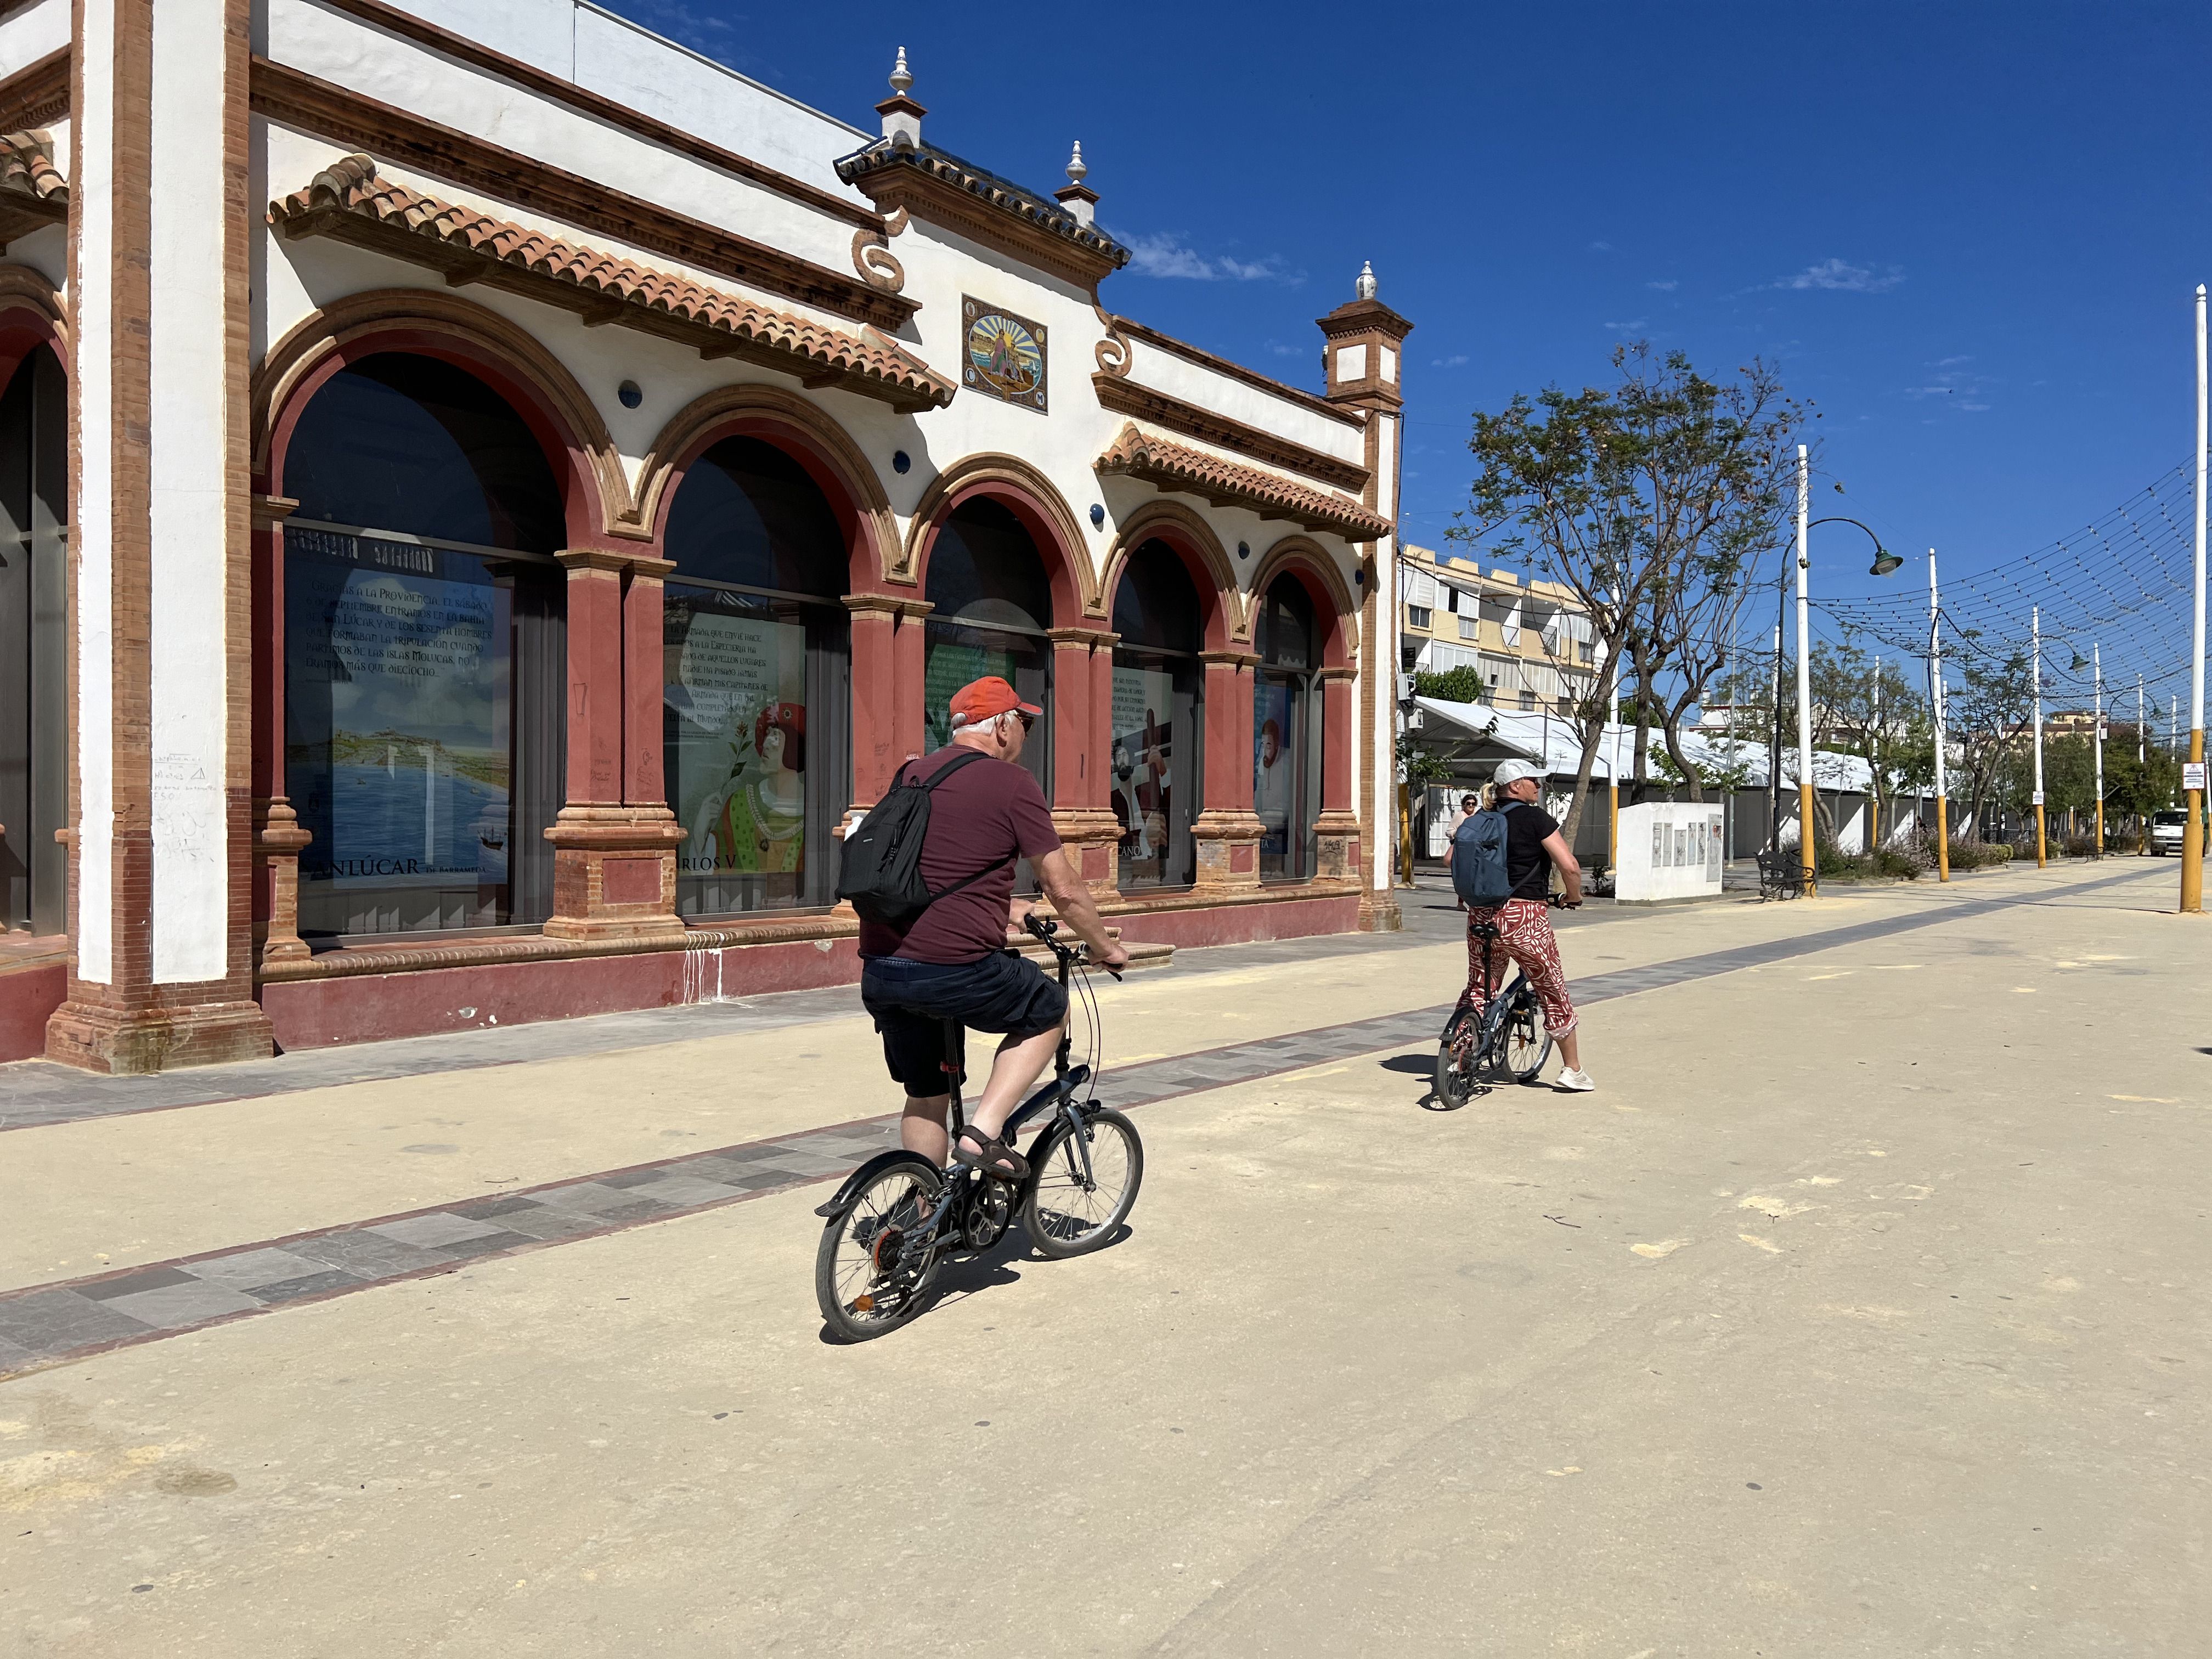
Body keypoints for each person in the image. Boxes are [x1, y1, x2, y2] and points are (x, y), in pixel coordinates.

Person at [858, 676, 1130, 1180]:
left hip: (882, 967)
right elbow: (1063, 887)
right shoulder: (1013, 784)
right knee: (1049, 1007)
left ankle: (922, 1220)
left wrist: (1008, 908)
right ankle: (982, 1134)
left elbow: (925, 876)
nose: (1025, 733)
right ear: (1002, 726)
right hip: (952, 969)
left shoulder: (911, 774)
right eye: (1023, 722)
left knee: (927, 1095)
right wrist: (1103, 946)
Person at [1460, 759, 1595, 1091]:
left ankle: (1459, 1054)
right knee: (1552, 990)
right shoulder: (1536, 818)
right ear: (1515, 786)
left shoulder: (1480, 819)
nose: (1539, 786)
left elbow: (1452, 860)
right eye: (1533, 781)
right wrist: (1573, 897)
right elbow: (1571, 866)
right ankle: (1572, 1070)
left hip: (1481, 916)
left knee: (1480, 987)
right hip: (1524, 918)